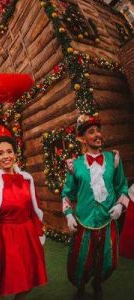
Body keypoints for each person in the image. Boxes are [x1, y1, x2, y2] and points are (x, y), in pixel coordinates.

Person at [62, 114, 129, 300]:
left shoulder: (113, 159)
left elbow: (122, 186)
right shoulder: (74, 165)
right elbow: (67, 194)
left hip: (107, 220)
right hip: (84, 221)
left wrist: (119, 206)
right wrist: (68, 215)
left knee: (108, 261)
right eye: (92, 132)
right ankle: (81, 286)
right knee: (81, 260)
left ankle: (97, 283)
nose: (97, 134)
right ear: (83, 139)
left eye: (98, 130)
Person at [0, 136, 47, 300]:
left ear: (15, 154)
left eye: (9, 151)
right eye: (1, 153)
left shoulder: (27, 178)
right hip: (4, 235)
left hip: (27, 233)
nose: (6, 156)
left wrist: (38, 231)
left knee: (28, 279)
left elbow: (34, 208)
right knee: (1, 279)